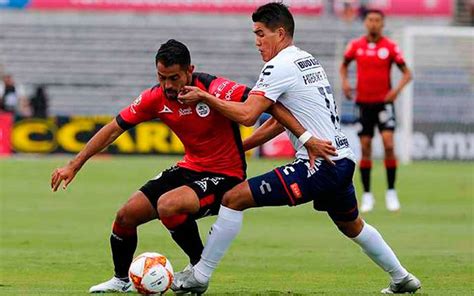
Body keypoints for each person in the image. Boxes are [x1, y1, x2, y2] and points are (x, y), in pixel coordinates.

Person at [174, 3, 421, 294]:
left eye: (260, 33)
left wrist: (206, 96)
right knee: (351, 224)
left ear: (280, 33)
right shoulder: (305, 59)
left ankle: (200, 275)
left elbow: (248, 115)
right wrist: (240, 148)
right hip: (340, 158)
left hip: (317, 164)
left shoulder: (279, 66)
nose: (257, 42)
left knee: (233, 198)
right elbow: (282, 122)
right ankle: (402, 277)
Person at [50, 38, 321, 294]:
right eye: (161, 77)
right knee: (125, 216)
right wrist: (74, 165)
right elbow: (112, 129)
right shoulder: (155, 98)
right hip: (190, 168)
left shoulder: (215, 88)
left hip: (226, 176)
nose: (167, 85)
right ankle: (121, 280)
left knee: (168, 205)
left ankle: (198, 271)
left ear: (189, 71)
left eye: (174, 78)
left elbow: (271, 107)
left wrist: (305, 137)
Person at [340, 9, 412, 213]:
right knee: (365, 147)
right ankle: (368, 195)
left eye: (377, 20)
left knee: (389, 145)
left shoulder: (390, 47)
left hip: (384, 104)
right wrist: (345, 83)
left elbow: (407, 74)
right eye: (370, 20)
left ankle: (391, 191)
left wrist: (395, 92)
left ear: (382, 23)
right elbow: (344, 65)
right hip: (363, 104)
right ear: (366, 23)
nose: (373, 23)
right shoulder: (356, 45)